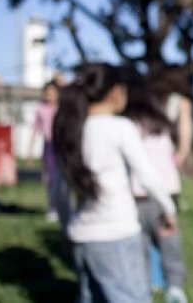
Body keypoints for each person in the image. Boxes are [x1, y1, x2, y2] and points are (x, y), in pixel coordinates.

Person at [52, 63, 177, 303]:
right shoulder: (120, 128)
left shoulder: (71, 130)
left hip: (82, 238)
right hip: (117, 236)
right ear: (117, 92)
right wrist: (169, 208)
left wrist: (67, 227)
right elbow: (147, 175)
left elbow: (59, 191)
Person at [123, 69, 188, 303]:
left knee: (141, 247)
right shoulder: (162, 126)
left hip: (136, 194)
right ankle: (175, 288)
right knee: (169, 243)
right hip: (165, 194)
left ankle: (147, 287)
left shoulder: (127, 125)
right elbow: (181, 146)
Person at [28, 79, 61, 222]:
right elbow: (35, 130)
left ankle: (63, 205)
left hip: (62, 145)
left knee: (63, 178)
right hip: (49, 146)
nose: (50, 96)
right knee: (50, 178)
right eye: (47, 93)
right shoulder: (40, 109)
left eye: (53, 93)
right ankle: (52, 207)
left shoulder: (61, 108)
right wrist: (30, 151)